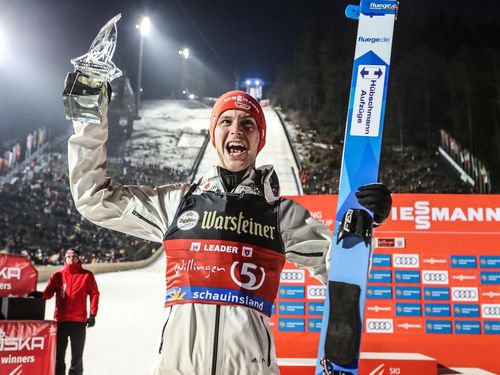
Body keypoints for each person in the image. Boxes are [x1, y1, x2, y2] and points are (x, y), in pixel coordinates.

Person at [66, 78, 391, 374]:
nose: (236, 130)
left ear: (260, 139)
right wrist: (88, 115)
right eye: (226, 121)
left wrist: (362, 225)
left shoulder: (281, 214)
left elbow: (341, 271)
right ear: (214, 134)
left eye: (247, 124)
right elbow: (94, 198)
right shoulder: (177, 203)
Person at [31, 248, 99, 375]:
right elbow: (48, 293)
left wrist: (93, 314)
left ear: (78, 258)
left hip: (79, 323)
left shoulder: (87, 275)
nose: (71, 258)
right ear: (65, 259)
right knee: (58, 358)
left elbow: (94, 294)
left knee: (77, 359)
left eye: (74, 256)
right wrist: (39, 295)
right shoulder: (58, 276)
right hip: (61, 322)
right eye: (68, 256)